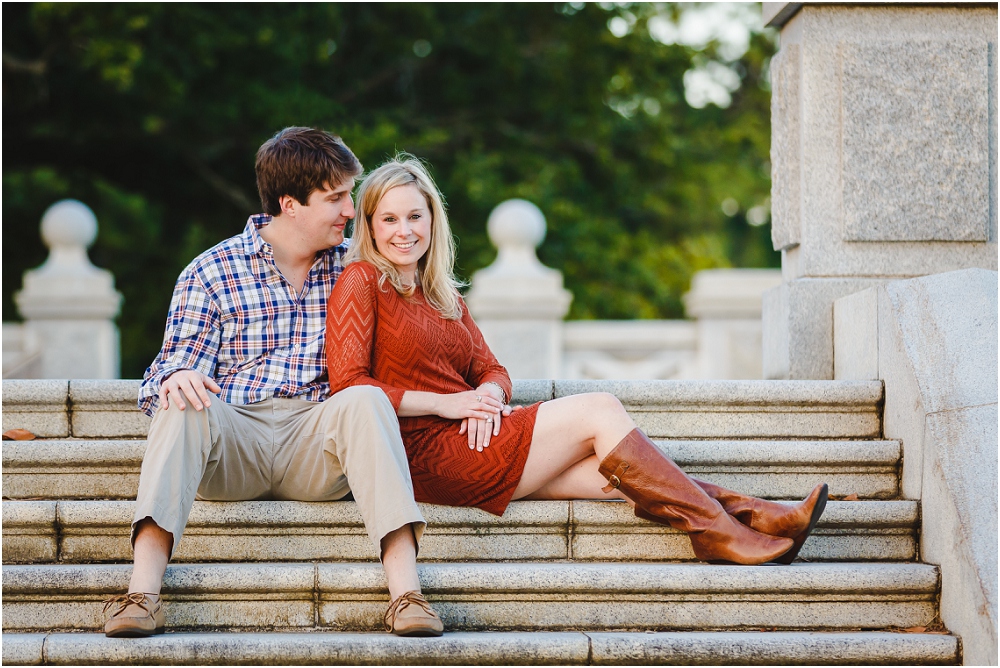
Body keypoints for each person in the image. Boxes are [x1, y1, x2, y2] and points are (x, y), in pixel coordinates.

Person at [326, 156, 828, 570]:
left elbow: (494, 370)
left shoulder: (443, 296)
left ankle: (758, 517)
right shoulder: (362, 282)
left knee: (610, 474)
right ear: (370, 225)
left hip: (471, 436)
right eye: (389, 219)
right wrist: (450, 405)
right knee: (598, 410)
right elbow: (349, 387)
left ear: (433, 219)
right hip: (416, 453)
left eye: (415, 216)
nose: (404, 231)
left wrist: (488, 397)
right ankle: (718, 533)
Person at [103, 129, 443, 639]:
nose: (351, 211)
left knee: (366, 398)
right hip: (235, 443)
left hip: (318, 443)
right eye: (336, 198)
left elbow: (430, 323)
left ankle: (407, 596)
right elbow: (160, 376)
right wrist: (181, 374)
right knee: (180, 400)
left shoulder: (360, 266)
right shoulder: (212, 271)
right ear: (290, 204)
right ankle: (141, 595)